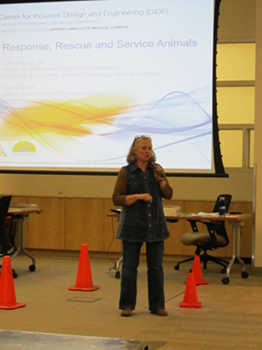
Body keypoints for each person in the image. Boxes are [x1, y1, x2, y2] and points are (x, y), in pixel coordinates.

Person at [112, 135, 173, 317]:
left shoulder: (157, 170)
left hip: (155, 224)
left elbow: (168, 194)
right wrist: (138, 196)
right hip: (132, 224)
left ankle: (157, 305)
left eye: (150, 148)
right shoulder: (126, 171)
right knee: (130, 267)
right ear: (135, 151)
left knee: (156, 268)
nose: (148, 152)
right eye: (144, 148)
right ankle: (127, 305)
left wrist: (161, 179)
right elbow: (117, 198)